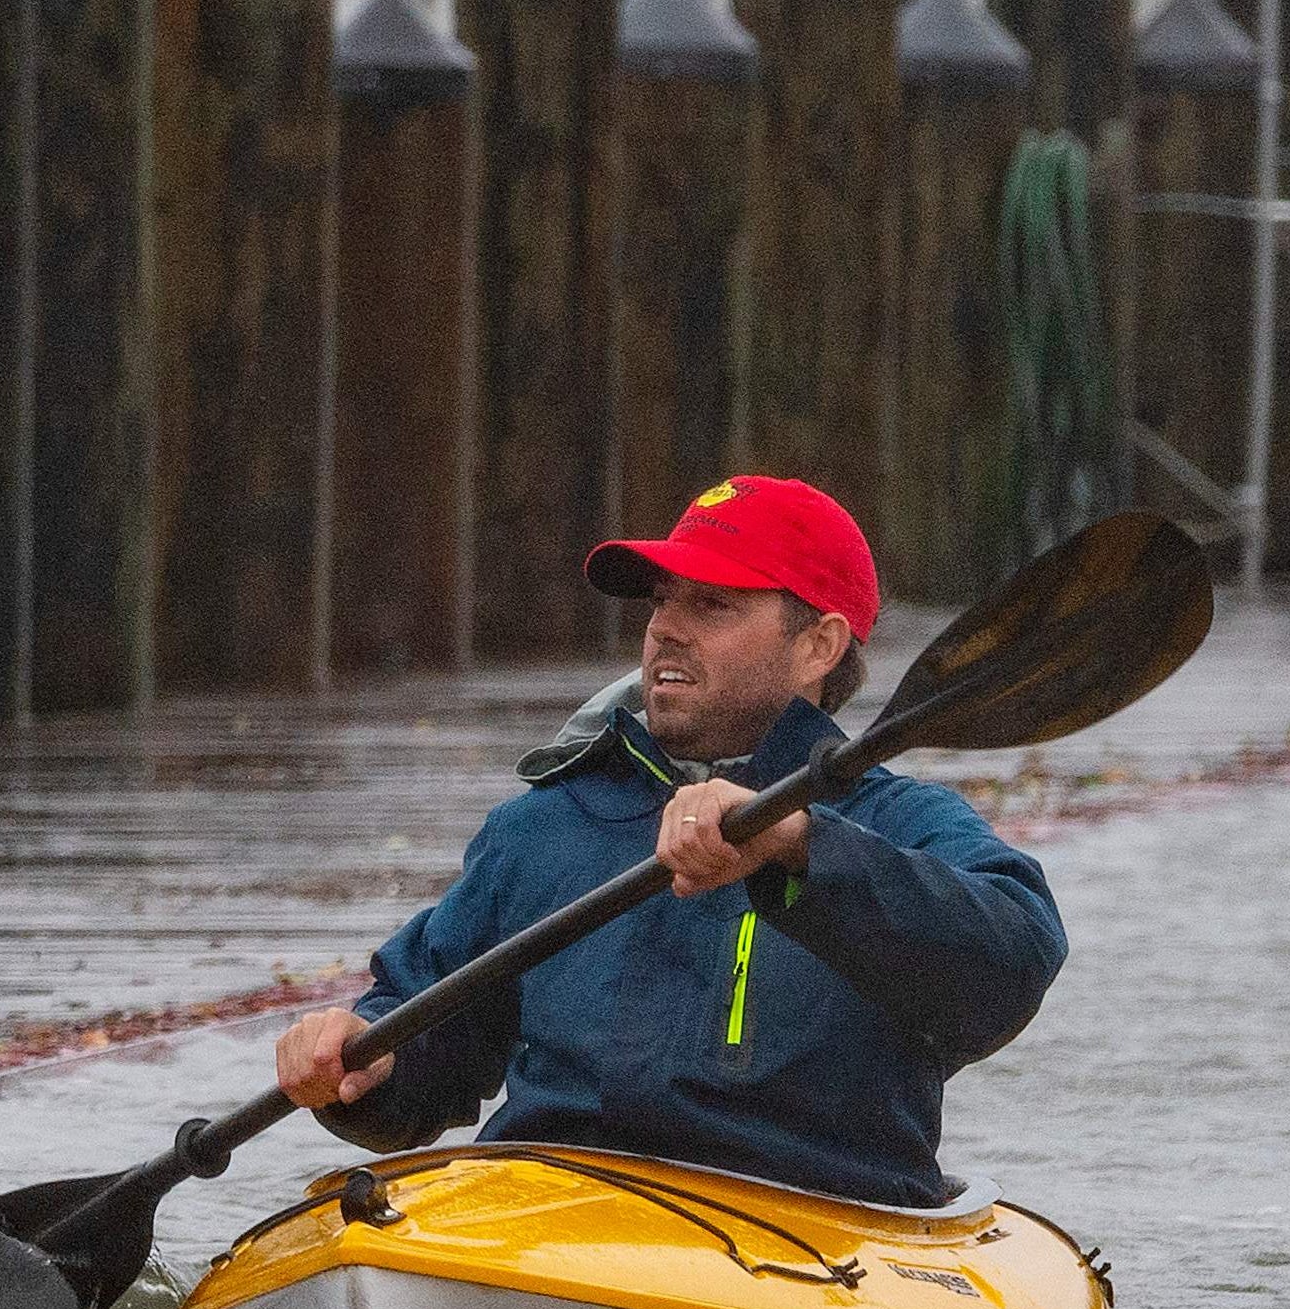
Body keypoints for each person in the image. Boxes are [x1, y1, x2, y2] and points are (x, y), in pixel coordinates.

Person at [274, 476, 1066, 1208]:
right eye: (661, 600)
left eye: (714, 605)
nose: (664, 631)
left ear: (819, 645)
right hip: (555, 1208)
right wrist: (367, 1062)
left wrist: (798, 842)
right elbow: (430, 1052)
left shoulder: (897, 824)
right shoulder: (543, 826)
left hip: (815, 1224)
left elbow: (1015, 957)